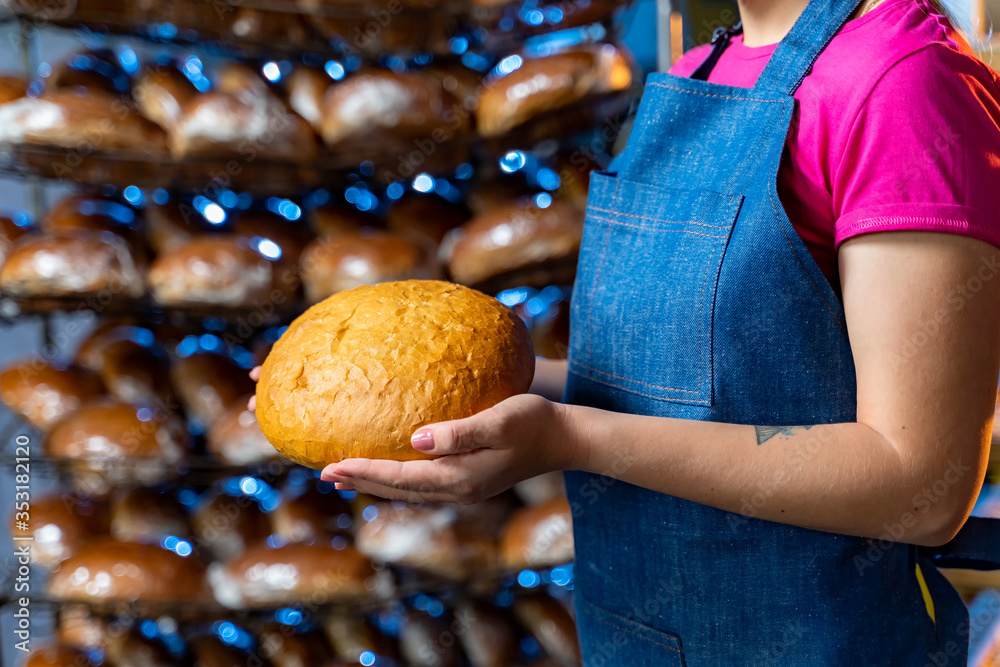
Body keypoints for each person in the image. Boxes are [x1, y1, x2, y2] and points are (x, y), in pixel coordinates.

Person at [251, 0, 1000, 662]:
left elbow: (920, 482)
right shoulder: (702, 70)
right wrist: (442, 400)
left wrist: (569, 440)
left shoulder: (904, 80)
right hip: (632, 635)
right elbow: (671, 386)